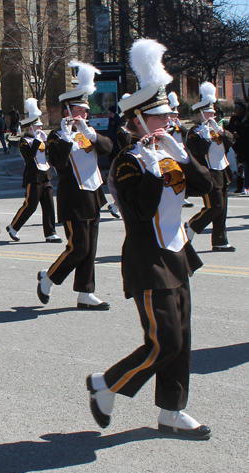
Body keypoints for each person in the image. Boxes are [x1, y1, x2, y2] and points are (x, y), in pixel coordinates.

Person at [87, 38, 212, 441]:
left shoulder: (169, 149)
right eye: (161, 118)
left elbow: (206, 184)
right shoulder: (129, 161)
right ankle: (107, 384)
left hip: (177, 253)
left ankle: (172, 411)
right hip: (148, 260)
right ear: (138, 121)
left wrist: (181, 154)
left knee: (182, 338)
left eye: (169, 115)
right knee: (165, 342)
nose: (169, 121)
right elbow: (139, 212)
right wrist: (156, 169)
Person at [37, 61, 112, 310]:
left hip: (93, 196)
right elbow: (56, 161)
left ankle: (85, 293)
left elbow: (108, 149)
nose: (84, 115)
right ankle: (49, 278)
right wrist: (68, 136)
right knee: (78, 247)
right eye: (80, 110)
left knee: (90, 249)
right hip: (73, 200)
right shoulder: (57, 136)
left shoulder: (88, 132)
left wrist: (90, 134)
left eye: (85, 111)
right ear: (68, 111)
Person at [185, 82, 235, 252]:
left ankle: (220, 241)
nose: (213, 114)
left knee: (222, 209)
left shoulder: (217, 128)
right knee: (215, 207)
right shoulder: (195, 132)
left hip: (222, 171)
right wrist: (206, 138)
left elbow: (230, 142)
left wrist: (221, 132)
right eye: (209, 112)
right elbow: (196, 152)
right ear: (200, 114)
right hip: (207, 173)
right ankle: (190, 227)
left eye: (214, 112)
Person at [6, 98, 61, 244]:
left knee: (49, 205)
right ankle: (13, 227)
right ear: (30, 128)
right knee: (30, 205)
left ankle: (50, 233)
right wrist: (37, 140)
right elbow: (29, 156)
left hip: (45, 175)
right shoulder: (24, 141)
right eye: (37, 127)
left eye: (40, 127)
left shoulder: (41, 139)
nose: (40, 129)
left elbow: (48, 154)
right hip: (33, 176)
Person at [225, 101, 246, 193]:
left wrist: (240, 134)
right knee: (239, 167)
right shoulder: (233, 119)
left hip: (245, 145)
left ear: (242, 110)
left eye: (237, 109)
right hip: (237, 147)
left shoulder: (245, 119)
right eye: (235, 109)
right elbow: (230, 128)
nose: (235, 111)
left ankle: (246, 186)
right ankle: (239, 187)